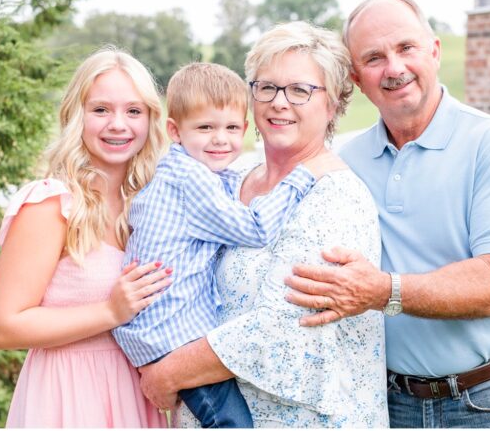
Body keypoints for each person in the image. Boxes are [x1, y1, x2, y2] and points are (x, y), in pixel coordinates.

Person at [284, 0, 490, 428]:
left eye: (406, 48)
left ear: (434, 51)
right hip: (390, 404)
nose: (394, 68)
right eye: (374, 57)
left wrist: (381, 291)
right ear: (356, 77)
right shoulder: (346, 163)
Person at [135, 21, 388, 427]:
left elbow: (280, 329)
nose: (279, 102)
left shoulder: (334, 195)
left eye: (300, 90)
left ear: (334, 103)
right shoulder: (230, 179)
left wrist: (165, 373)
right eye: (266, 87)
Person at [112, 62, 336, 427]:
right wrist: (302, 177)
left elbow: (232, 187)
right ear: (175, 131)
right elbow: (255, 228)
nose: (221, 139)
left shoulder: (198, 171)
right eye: (205, 128)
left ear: (246, 129)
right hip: (172, 336)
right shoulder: (189, 180)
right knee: (231, 422)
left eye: (232, 128)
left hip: (166, 331)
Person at [0, 47, 170, 427]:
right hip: (66, 396)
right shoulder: (52, 203)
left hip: (136, 394)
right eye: (101, 110)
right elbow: (5, 326)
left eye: (133, 111)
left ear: (151, 120)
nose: (118, 124)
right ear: (76, 115)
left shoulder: (153, 205)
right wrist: (109, 313)